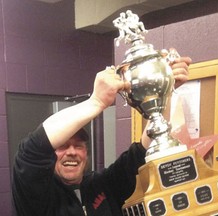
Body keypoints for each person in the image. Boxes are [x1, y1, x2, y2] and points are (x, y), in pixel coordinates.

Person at [12, 53, 192, 216]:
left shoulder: (103, 184)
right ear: (50, 156)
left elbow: (142, 151)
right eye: (63, 146)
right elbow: (31, 152)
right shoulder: (37, 194)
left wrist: (163, 93)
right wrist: (96, 102)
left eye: (79, 146)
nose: (72, 152)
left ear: (86, 153)